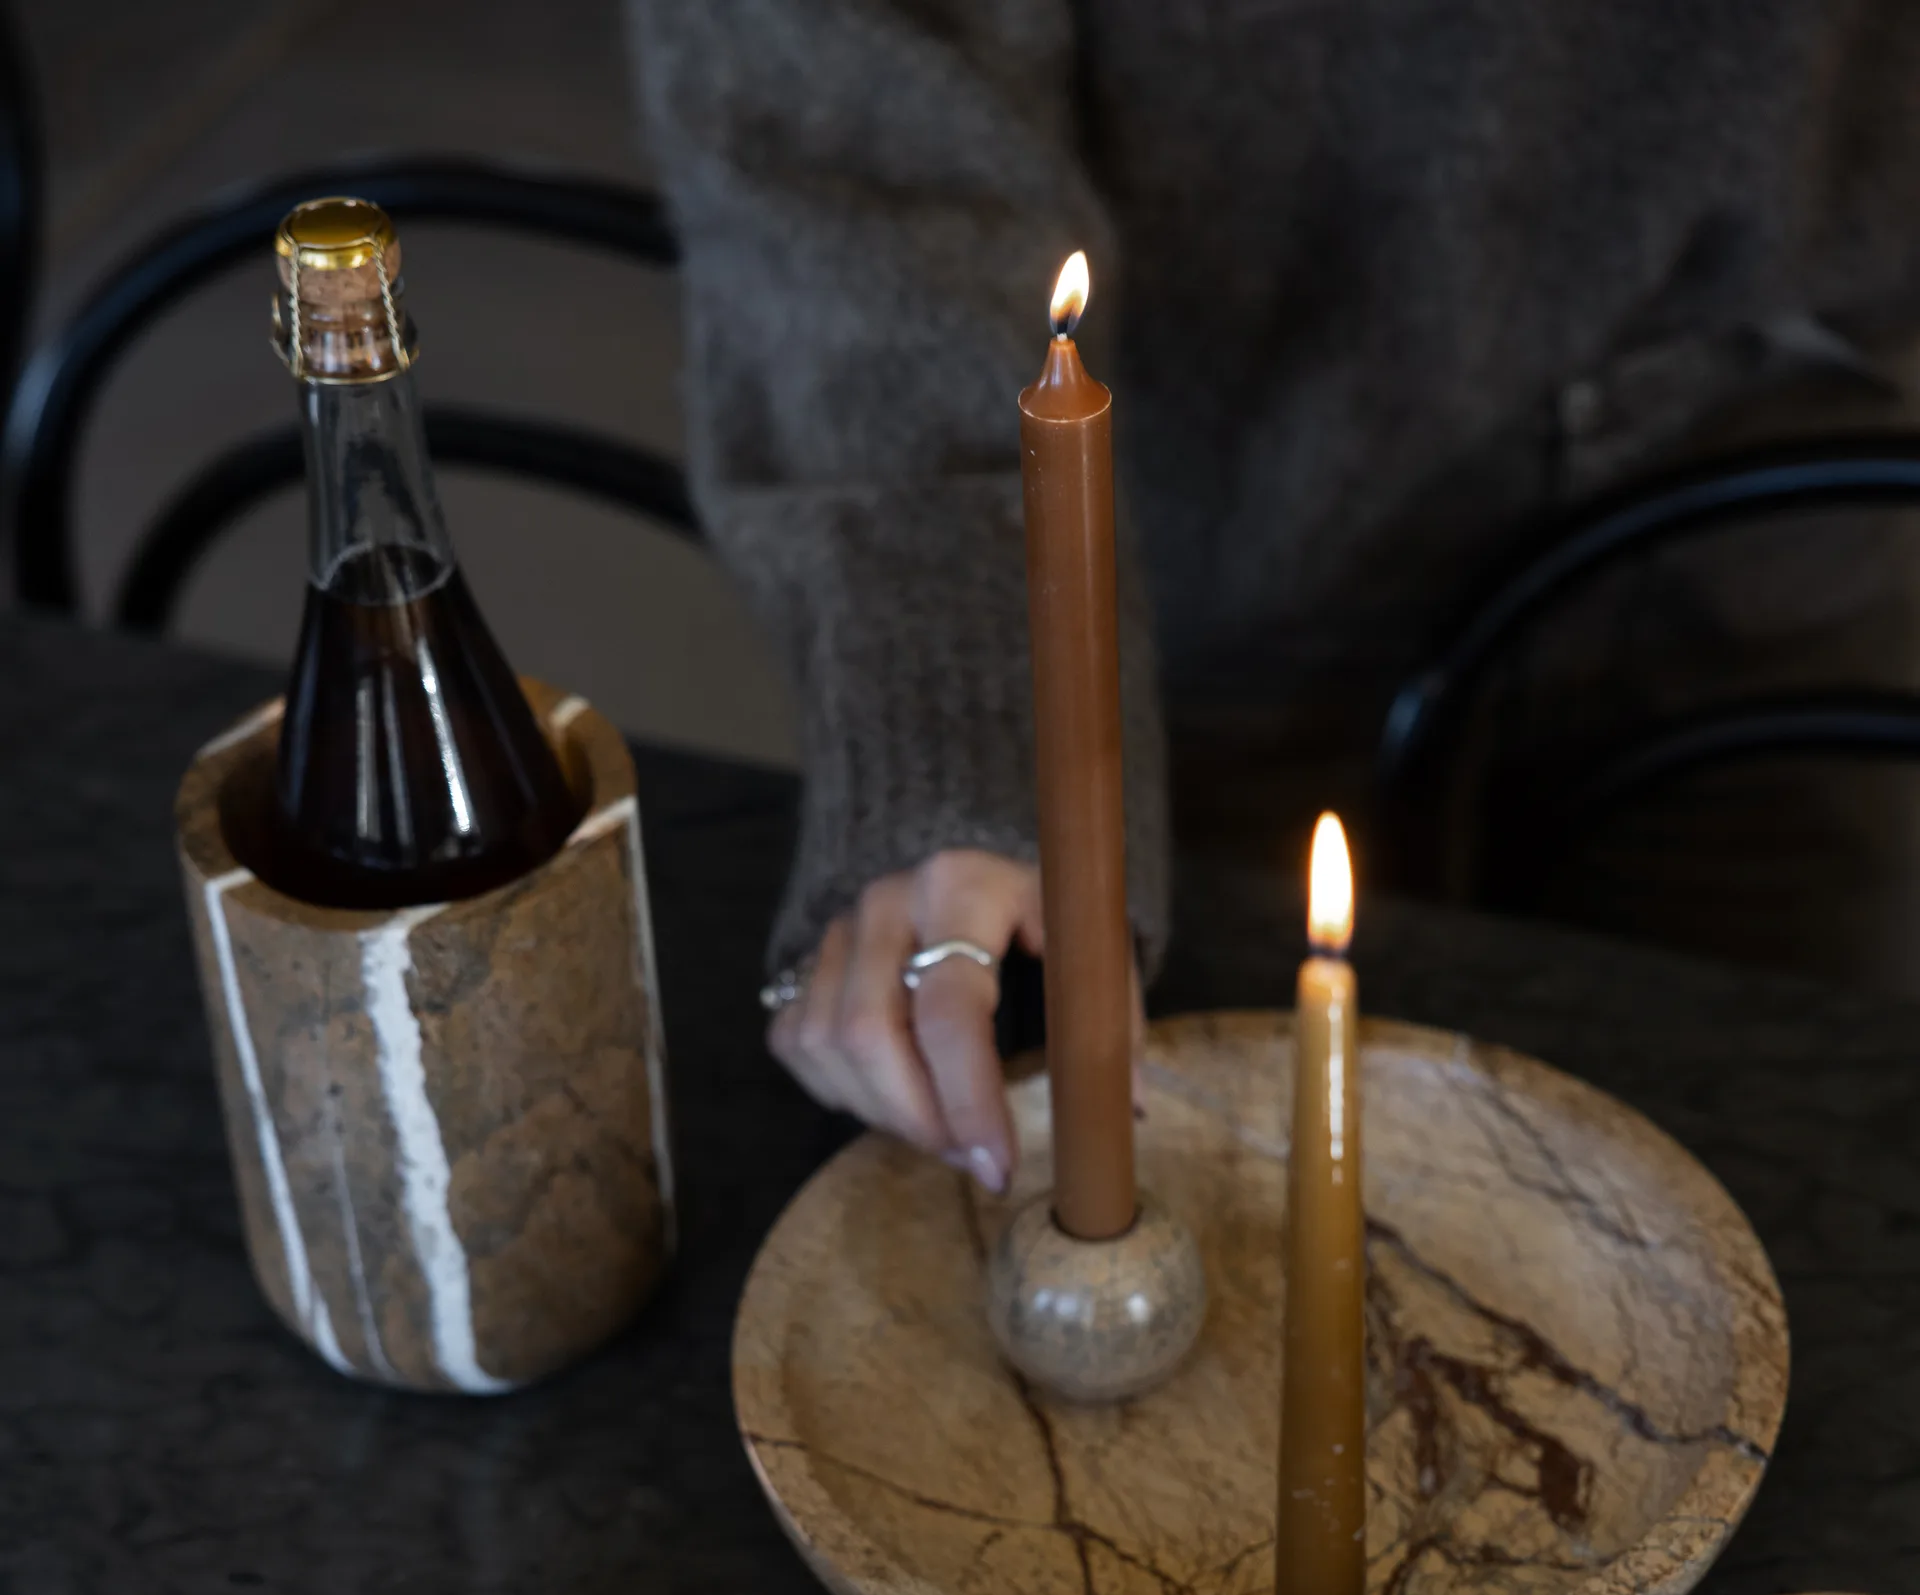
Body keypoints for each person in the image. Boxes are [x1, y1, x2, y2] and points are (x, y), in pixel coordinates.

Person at [629, 2, 1920, 1186]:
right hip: (1235, 573)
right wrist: (972, 706)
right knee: (1231, 1204)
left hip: (1767, 531)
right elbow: (860, 150)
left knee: (1762, 1213)